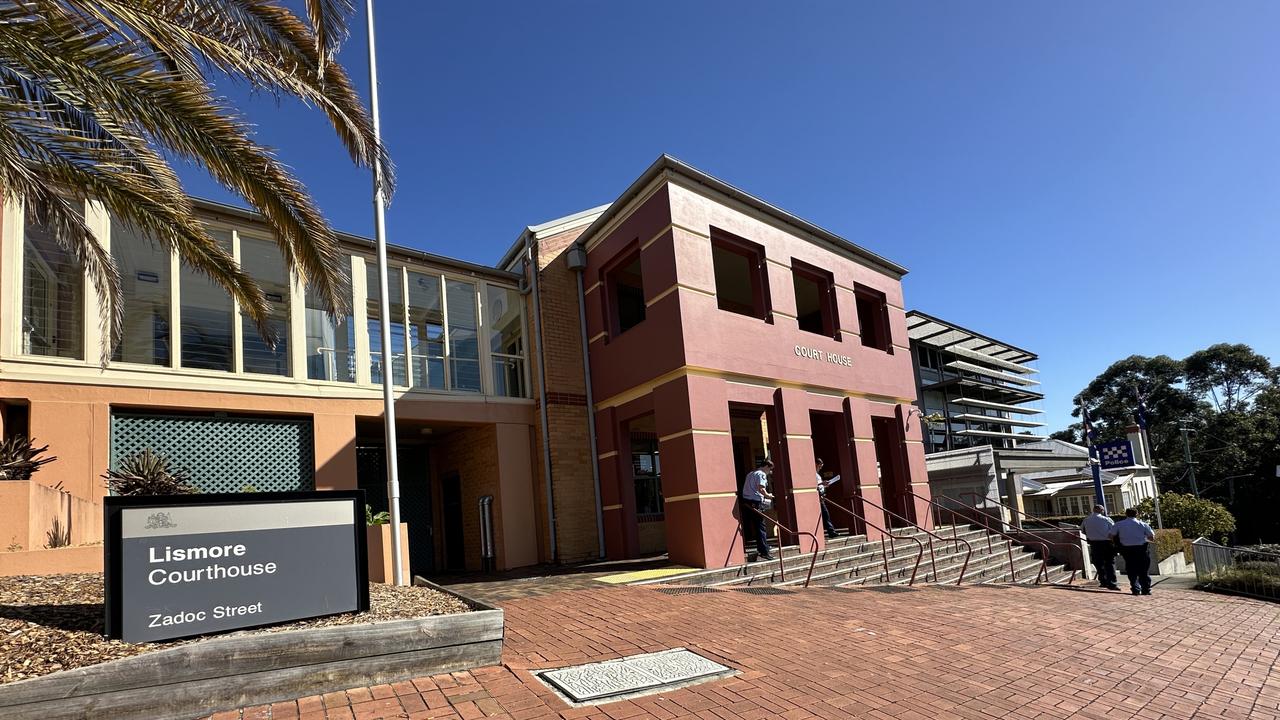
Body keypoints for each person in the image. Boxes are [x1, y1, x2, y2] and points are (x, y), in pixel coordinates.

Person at [1110, 507, 1156, 595]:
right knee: (1143, 570)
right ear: (1137, 514)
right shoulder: (1143, 524)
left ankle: (1135, 588)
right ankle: (1146, 589)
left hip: (1127, 549)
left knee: (1131, 569)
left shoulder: (1119, 524)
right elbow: (1151, 537)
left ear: (1126, 514)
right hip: (1141, 549)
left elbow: (1110, 536)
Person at [740, 458, 775, 561]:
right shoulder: (761, 474)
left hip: (747, 502)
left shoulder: (750, 473)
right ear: (767, 467)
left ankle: (761, 547)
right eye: (770, 470)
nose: (770, 472)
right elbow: (761, 488)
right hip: (756, 502)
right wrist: (768, 495)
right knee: (761, 527)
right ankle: (764, 551)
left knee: (750, 525)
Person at [1080, 505, 1120, 590]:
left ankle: (1103, 581)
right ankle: (1112, 583)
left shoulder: (1086, 520)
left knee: (1098, 563)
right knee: (1109, 563)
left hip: (1094, 543)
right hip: (1106, 543)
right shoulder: (1106, 519)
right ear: (1101, 510)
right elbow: (1114, 531)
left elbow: (1082, 530)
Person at [815, 458, 838, 539]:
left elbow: (818, 485)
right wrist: (822, 483)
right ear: (816, 464)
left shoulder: (817, 474)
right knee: (825, 513)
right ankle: (831, 531)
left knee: (825, 514)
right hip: (817, 497)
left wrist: (824, 485)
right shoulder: (813, 474)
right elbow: (812, 485)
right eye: (820, 465)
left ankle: (831, 531)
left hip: (821, 496)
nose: (821, 467)